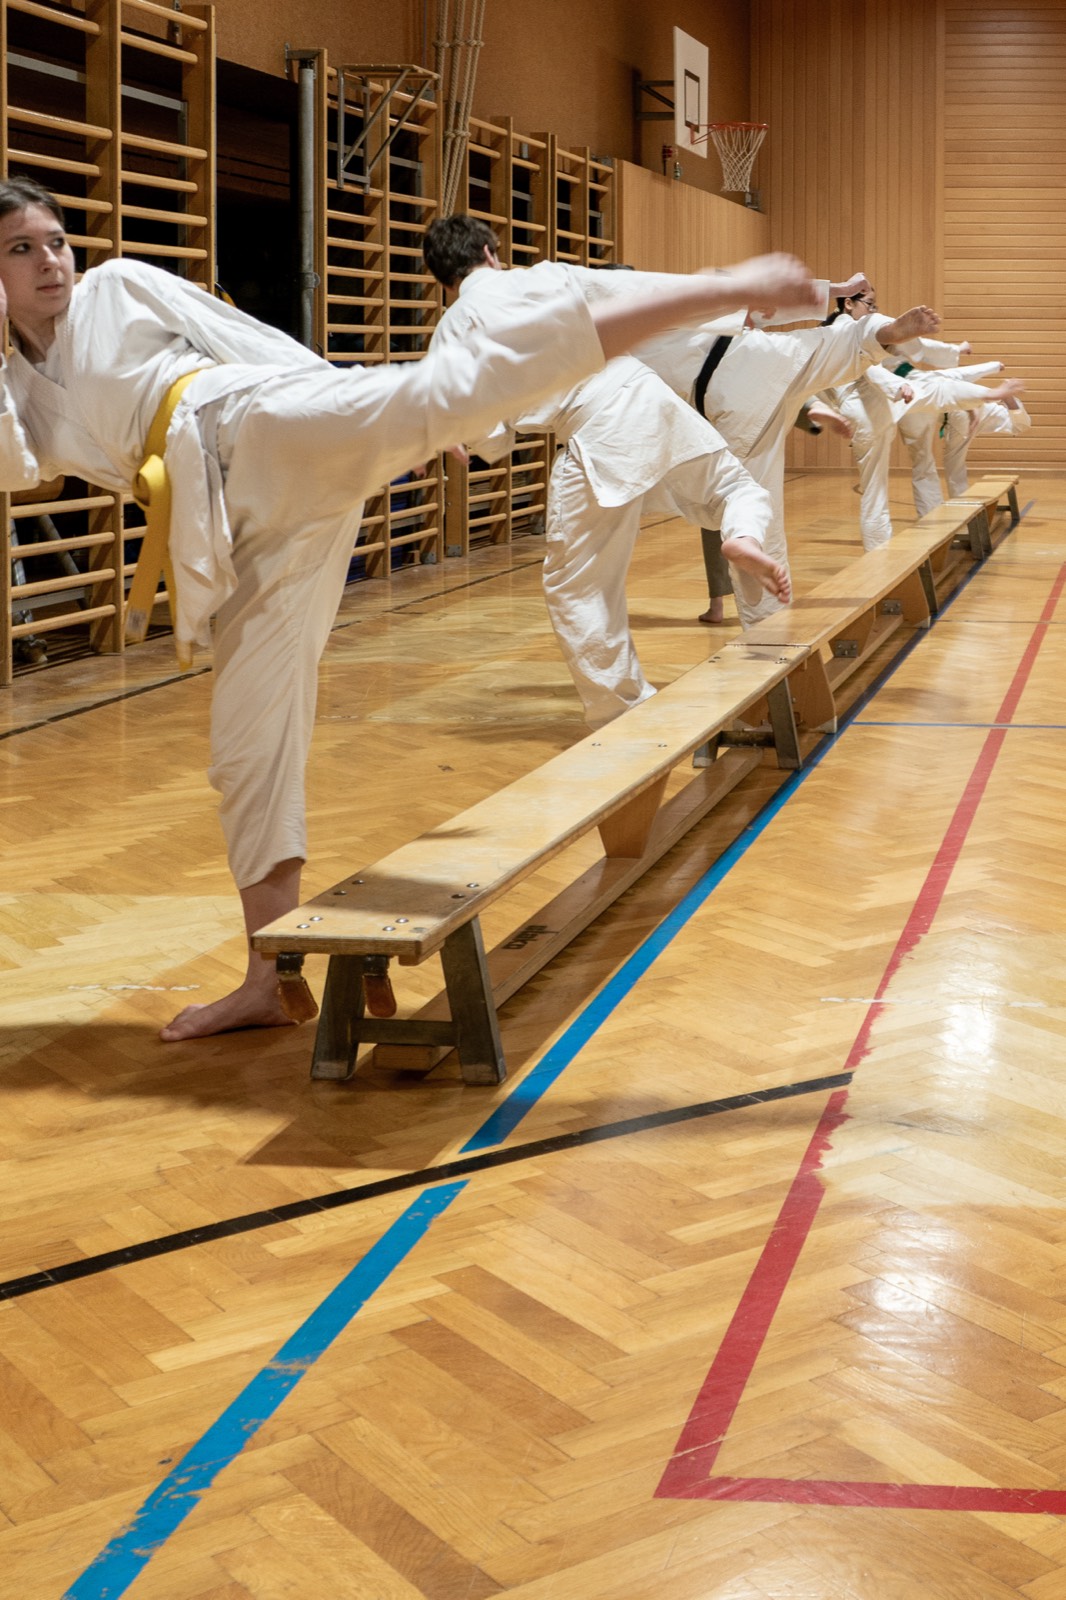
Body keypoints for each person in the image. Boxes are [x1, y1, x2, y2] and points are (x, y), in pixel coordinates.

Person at [0, 178, 818, 1038]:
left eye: (55, 239)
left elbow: (243, 338)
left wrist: (358, 424)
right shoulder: (18, 389)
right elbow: (23, 461)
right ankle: (268, 978)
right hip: (229, 529)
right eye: (22, 248)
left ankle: (726, 286)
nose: (51, 259)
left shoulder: (118, 287)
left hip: (253, 422)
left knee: (440, 393)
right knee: (248, 743)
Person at [422, 215, 804, 729]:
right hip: (643, 393)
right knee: (736, 489)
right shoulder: (542, 277)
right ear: (491, 252)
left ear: (443, 278)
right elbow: (637, 289)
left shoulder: (451, 329)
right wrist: (737, 297)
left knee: (576, 586)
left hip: (592, 428)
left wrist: (465, 437)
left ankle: (625, 712)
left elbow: (488, 437)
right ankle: (741, 533)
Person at [634, 282, 943, 621]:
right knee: (830, 344)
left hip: (722, 396)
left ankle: (761, 602)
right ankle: (881, 332)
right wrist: (831, 290)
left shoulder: (618, 344)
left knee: (740, 500)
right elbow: (763, 307)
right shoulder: (664, 305)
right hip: (760, 355)